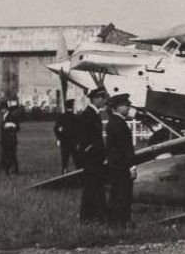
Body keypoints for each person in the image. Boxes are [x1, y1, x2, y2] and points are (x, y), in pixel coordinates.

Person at [103, 93, 136, 226]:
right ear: (118, 107)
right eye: (126, 105)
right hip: (122, 166)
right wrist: (131, 166)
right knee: (123, 194)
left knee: (116, 193)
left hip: (115, 164)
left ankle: (114, 221)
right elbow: (126, 148)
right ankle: (121, 221)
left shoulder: (113, 122)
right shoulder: (120, 123)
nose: (128, 108)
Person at [76, 89, 109, 222]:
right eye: (101, 98)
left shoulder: (93, 114)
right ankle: (96, 215)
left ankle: (90, 215)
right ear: (94, 99)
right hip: (92, 158)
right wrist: (89, 151)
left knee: (93, 187)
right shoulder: (89, 115)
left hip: (94, 157)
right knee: (94, 187)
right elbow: (84, 137)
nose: (103, 100)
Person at [53, 99, 79, 172]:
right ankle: (78, 174)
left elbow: (56, 128)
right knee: (77, 160)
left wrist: (59, 138)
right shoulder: (76, 117)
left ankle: (64, 173)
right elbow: (79, 130)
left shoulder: (61, 117)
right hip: (74, 142)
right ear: (73, 106)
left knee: (64, 160)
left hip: (64, 141)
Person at [1, 99, 23, 174]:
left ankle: (15, 170)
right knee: (5, 155)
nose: (1, 110)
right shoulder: (2, 116)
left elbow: (18, 127)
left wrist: (11, 125)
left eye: (2, 109)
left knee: (12, 155)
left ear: (5, 109)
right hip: (4, 139)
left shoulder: (12, 116)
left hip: (11, 139)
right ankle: (7, 169)